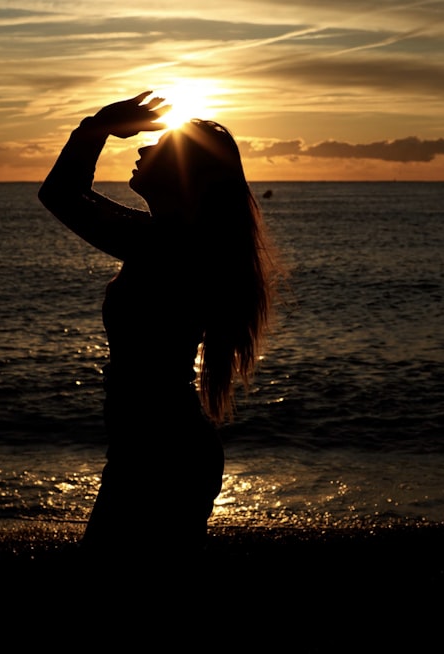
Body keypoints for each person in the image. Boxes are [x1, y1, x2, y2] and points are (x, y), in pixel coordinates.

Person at [39, 92, 278, 561]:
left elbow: (61, 195)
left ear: (186, 177)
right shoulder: (172, 238)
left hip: (157, 453)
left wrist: (98, 127)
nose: (142, 149)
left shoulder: (167, 245)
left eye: (160, 148)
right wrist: (97, 128)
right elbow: (73, 197)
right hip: (158, 447)